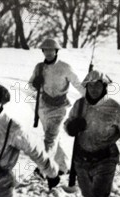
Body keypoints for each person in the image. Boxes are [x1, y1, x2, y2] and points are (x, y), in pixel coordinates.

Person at [29, 38, 86, 175]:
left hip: (60, 107)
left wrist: (89, 97)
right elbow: (30, 85)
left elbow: (77, 84)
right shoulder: (39, 67)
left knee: (50, 138)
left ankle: (43, 168)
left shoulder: (65, 67)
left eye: (52, 50)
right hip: (43, 107)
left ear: (56, 51)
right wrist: (36, 84)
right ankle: (63, 166)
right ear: (43, 51)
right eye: (46, 50)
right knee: (54, 138)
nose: (49, 53)